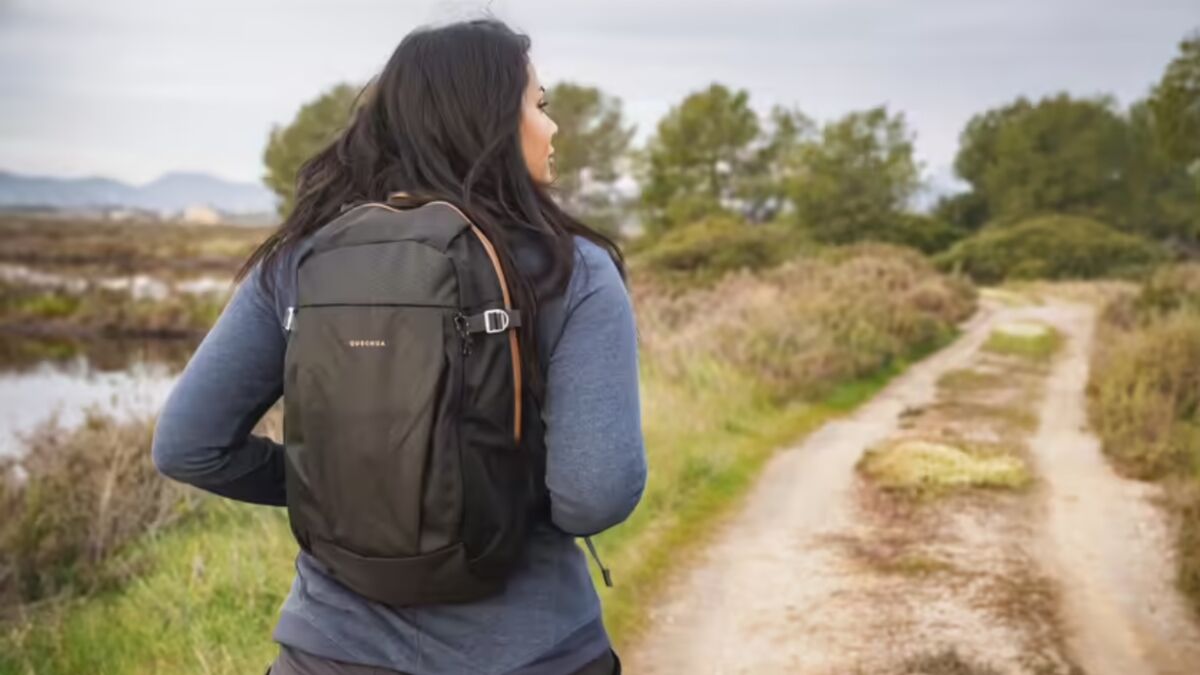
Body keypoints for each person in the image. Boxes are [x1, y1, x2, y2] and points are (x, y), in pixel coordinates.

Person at [150, 18, 646, 675]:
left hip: (328, 652)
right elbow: (596, 495)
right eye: (541, 105)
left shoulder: (302, 257)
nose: (553, 128)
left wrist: (343, 486)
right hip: (529, 651)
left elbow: (188, 445)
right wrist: (471, 488)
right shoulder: (572, 267)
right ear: (492, 118)